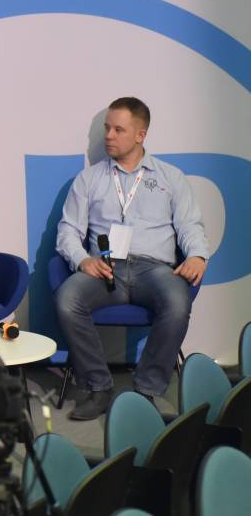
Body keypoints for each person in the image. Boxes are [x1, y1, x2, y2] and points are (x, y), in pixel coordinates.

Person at [55, 97, 209, 421]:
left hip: (154, 269)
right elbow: (68, 230)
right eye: (106, 128)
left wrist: (197, 254)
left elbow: (189, 225)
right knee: (67, 299)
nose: (108, 136)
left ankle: (145, 391)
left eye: (118, 130)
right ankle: (98, 386)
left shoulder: (170, 177)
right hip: (105, 268)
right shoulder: (88, 179)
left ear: (141, 135)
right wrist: (83, 261)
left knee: (177, 303)